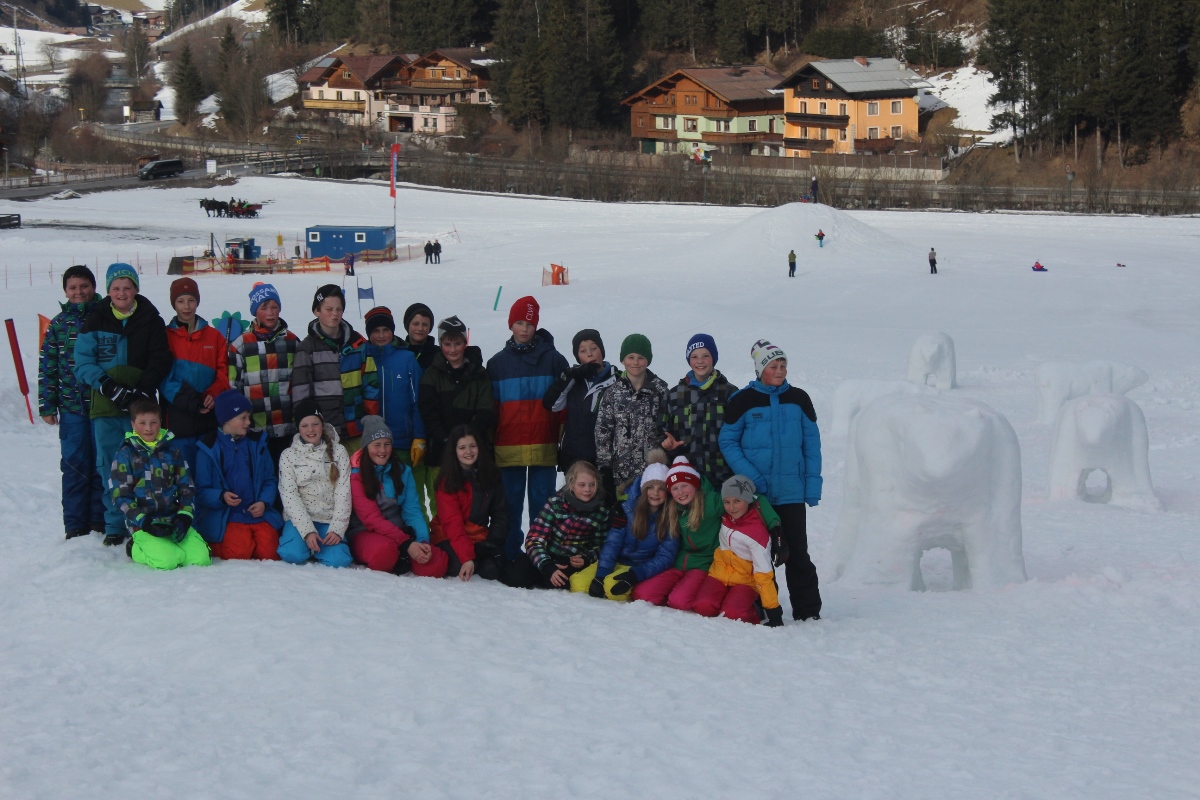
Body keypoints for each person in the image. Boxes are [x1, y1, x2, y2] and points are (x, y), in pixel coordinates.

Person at [719, 339, 822, 621]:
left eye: (783, 365)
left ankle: (808, 611)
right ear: (760, 369)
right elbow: (727, 441)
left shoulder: (799, 399)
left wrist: (811, 487)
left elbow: (812, 446)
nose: (780, 371)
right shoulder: (742, 400)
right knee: (761, 555)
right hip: (758, 496)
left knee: (797, 554)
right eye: (773, 366)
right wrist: (752, 480)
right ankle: (766, 607)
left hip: (791, 493)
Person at [73, 263, 173, 546]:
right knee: (110, 467)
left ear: (136, 289)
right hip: (105, 408)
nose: (122, 293)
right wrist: (107, 385)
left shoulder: (151, 319)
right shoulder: (95, 319)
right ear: (108, 291)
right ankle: (115, 525)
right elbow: (82, 363)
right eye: (116, 288)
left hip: (141, 411)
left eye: (127, 287)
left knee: (145, 466)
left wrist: (143, 389)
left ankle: (143, 521)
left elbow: (160, 358)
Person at [632, 456, 781, 608]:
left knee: (679, 601)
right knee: (642, 595)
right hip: (677, 563)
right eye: (675, 488)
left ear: (695, 485)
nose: (680, 492)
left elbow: (755, 499)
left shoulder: (712, 501)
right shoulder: (672, 507)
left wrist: (774, 527)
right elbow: (644, 502)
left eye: (685, 486)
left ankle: (748, 603)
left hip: (704, 564)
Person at [487, 296, 570, 561]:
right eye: (519, 322)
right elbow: (492, 408)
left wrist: (562, 439)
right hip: (508, 446)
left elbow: (563, 407)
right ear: (511, 324)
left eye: (530, 323)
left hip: (543, 446)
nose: (524, 329)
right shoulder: (496, 364)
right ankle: (509, 555)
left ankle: (540, 555)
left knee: (542, 506)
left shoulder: (555, 360)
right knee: (509, 506)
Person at [38, 264, 105, 540]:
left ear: (93, 287)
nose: (79, 292)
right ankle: (75, 524)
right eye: (73, 288)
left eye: (84, 286)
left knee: (102, 462)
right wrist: (47, 404)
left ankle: (101, 520)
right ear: (65, 291)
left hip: (103, 406)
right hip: (72, 407)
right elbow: (48, 366)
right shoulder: (58, 324)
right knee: (76, 464)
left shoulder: (106, 316)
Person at [110, 396, 210, 570]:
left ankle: (174, 542)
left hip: (172, 520)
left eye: (153, 422)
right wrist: (143, 521)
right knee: (167, 561)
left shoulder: (172, 451)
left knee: (201, 559)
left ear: (160, 423)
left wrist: (184, 515)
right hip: (144, 523)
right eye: (142, 423)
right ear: (133, 425)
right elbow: (120, 496)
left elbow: (187, 487)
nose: (148, 428)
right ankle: (134, 547)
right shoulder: (125, 455)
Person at [347, 415, 448, 577]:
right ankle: (398, 555)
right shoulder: (356, 475)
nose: (382, 450)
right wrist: (406, 543)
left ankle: (403, 556)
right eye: (377, 445)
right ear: (366, 447)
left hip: (399, 532)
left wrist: (422, 542)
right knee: (384, 554)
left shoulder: (402, 471)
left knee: (436, 564)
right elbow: (370, 518)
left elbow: (413, 510)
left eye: (387, 444)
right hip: (364, 532)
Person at [678, 475, 783, 627]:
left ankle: (757, 609)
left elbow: (764, 574)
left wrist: (774, 611)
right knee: (703, 607)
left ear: (747, 500)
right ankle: (727, 599)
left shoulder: (757, 534)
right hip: (719, 574)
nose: (732, 507)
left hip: (745, 581)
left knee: (733, 614)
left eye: (737, 501)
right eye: (727, 502)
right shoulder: (725, 518)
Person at [502, 460, 624, 590]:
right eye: (581, 485)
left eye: (592, 485)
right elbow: (534, 539)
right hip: (547, 554)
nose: (587, 490)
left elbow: (600, 545)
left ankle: (547, 577)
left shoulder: (601, 512)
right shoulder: (556, 503)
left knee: (560, 583)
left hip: (571, 560)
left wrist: (586, 558)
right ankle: (542, 573)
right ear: (571, 485)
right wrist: (547, 565)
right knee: (513, 576)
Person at [193, 389, 283, 561]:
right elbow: (201, 490)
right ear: (227, 419)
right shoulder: (208, 449)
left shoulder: (258, 444)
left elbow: (270, 479)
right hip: (228, 515)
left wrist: (264, 502)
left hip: (258, 513)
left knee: (270, 553)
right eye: (243, 418)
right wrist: (221, 496)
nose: (248, 422)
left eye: (248, 416)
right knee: (238, 553)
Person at [291, 284, 375, 450]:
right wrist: (310, 430)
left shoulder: (358, 343)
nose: (335, 314)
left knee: (356, 474)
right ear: (317, 311)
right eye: (329, 309)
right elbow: (301, 395)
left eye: (339, 309)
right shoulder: (307, 348)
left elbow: (371, 384)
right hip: (325, 433)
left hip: (356, 428)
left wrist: (369, 418)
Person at [587, 450, 679, 601]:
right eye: (650, 487)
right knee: (579, 585)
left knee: (612, 590)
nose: (655, 493)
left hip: (641, 567)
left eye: (661, 488)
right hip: (618, 561)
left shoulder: (669, 517)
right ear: (643, 490)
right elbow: (613, 542)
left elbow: (665, 556)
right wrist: (601, 574)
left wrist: (637, 574)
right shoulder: (627, 509)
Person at [160, 277, 229, 470]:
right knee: (182, 475)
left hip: (209, 417)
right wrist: (190, 401)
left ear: (197, 301)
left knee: (209, 472)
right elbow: (164, 377)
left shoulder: (214, 336)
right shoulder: (165, 336)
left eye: (191, 300)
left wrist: (212, 394)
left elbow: (224, 370)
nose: (186, 306)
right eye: (180, 301)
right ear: (174, 303)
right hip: (177, 418)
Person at [227, 282, 301, 465]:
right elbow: (233, 387)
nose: (270, 312)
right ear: (255, 311)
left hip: (287, 428)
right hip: (255, 429)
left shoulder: (293, 342)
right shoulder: (241, 345)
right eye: (264, 307)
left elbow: (301, 382)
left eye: (275, 307)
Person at [276, 399, 354, 567]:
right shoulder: (288, 455)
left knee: (339, 561)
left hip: (329, 519)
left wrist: (337, 528)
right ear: (298, 428)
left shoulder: (339, 451)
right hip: (300, 520)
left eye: (315, 424)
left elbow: (343, 492)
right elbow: (289, 496)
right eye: (304, 425)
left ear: (322, 425)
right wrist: (307, 531)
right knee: (292, 554)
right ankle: (304, 544)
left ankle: (322, 548)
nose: (310, 430)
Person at [594, 333, 668, 501]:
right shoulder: (612, 392)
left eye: (641, 358)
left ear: (648, 360)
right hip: (620, 471)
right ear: (622, 360)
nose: (635, 362)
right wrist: (604, 467)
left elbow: (665, 428)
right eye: (631, 357)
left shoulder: (660, 390)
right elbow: (603, 431)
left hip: (650, 471)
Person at [430, 424, 508, 581]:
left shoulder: (490, 475)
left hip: (478, 535)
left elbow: (501, 512)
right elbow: (452, 524)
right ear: (454, 451)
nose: (468, 452)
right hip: (448, 535)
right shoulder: (447, 481)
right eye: (462, 447)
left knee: (493, 571)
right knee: (458, 565)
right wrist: (466, 558)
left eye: (472, 446)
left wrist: (493, 542)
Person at [418, 315, 494, 473]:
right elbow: (429, 412)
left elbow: (485, 411)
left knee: (476, 495)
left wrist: (466, 441)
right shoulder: (431, 375)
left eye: (457, 344)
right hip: (440, 452)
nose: (452, 350)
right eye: (447, 344)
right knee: (442, 495)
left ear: (465, 343)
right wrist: (447, 440)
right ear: (440, 345)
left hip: (473, 452)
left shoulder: (480, 374)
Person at [362, 305, 426, 485]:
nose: (381, 335)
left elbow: (417, 401)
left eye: (386, 330)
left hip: (403, 442)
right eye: (376, 331)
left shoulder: (406, 359)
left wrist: (419, 436)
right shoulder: (362, 357)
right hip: (373, 444)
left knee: (409, 493)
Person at [660, 333, 733, 488]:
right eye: (694, 356)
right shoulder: (674, 394)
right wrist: (666, 443)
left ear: (713, 357)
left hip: (722, 475)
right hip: (685, 476)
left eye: (705, 355)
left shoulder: (729, 393)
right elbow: (660, 430)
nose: (700, 361)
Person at [541, 328, 617, 473]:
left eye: (594, 348)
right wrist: (570, 375)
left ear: (601, 350)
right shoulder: (573, 380)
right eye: (583, 351)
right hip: (575, 457)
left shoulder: (616, 380)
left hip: (606, 459)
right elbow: (551, 404)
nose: (590, 354)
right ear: (577, 356)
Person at [400, 302, 439, 513]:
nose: (420, 328)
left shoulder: (438, 354)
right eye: (416, 323)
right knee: (413, 496)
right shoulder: (399, 352)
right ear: (407, 325)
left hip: (434, 431)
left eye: (425, 324)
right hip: (408, 431)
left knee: (438, 494)